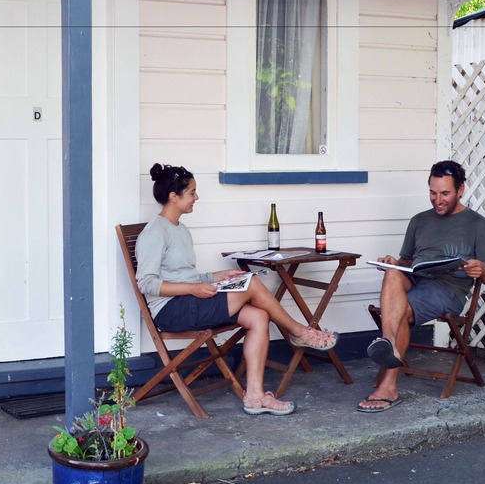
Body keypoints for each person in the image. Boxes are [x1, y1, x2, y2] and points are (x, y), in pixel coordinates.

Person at [136, 163, 339, 416]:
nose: (196, 198)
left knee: (258, 315)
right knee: (252, 284)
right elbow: (146, 283)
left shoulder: (180, 229)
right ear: (173, 197)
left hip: (191, 301)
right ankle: (299, 332)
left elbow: (185, 274)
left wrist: (218, 276)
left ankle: (254, 396)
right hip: (172, 311)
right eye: (191, 193)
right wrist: (194, 287)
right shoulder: (154, 233)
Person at [359, 160, 485, 413]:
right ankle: (389, 342)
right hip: (417, 280)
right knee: (392, 273)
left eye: (445, 193)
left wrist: (482, 268)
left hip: (447, 288)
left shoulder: (478, 226)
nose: (438, 200)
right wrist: (394, 263)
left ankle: (388, 384)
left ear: (461, 190)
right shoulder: (419, 221)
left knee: (400, 309)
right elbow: (407, 262)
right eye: (433, 193)